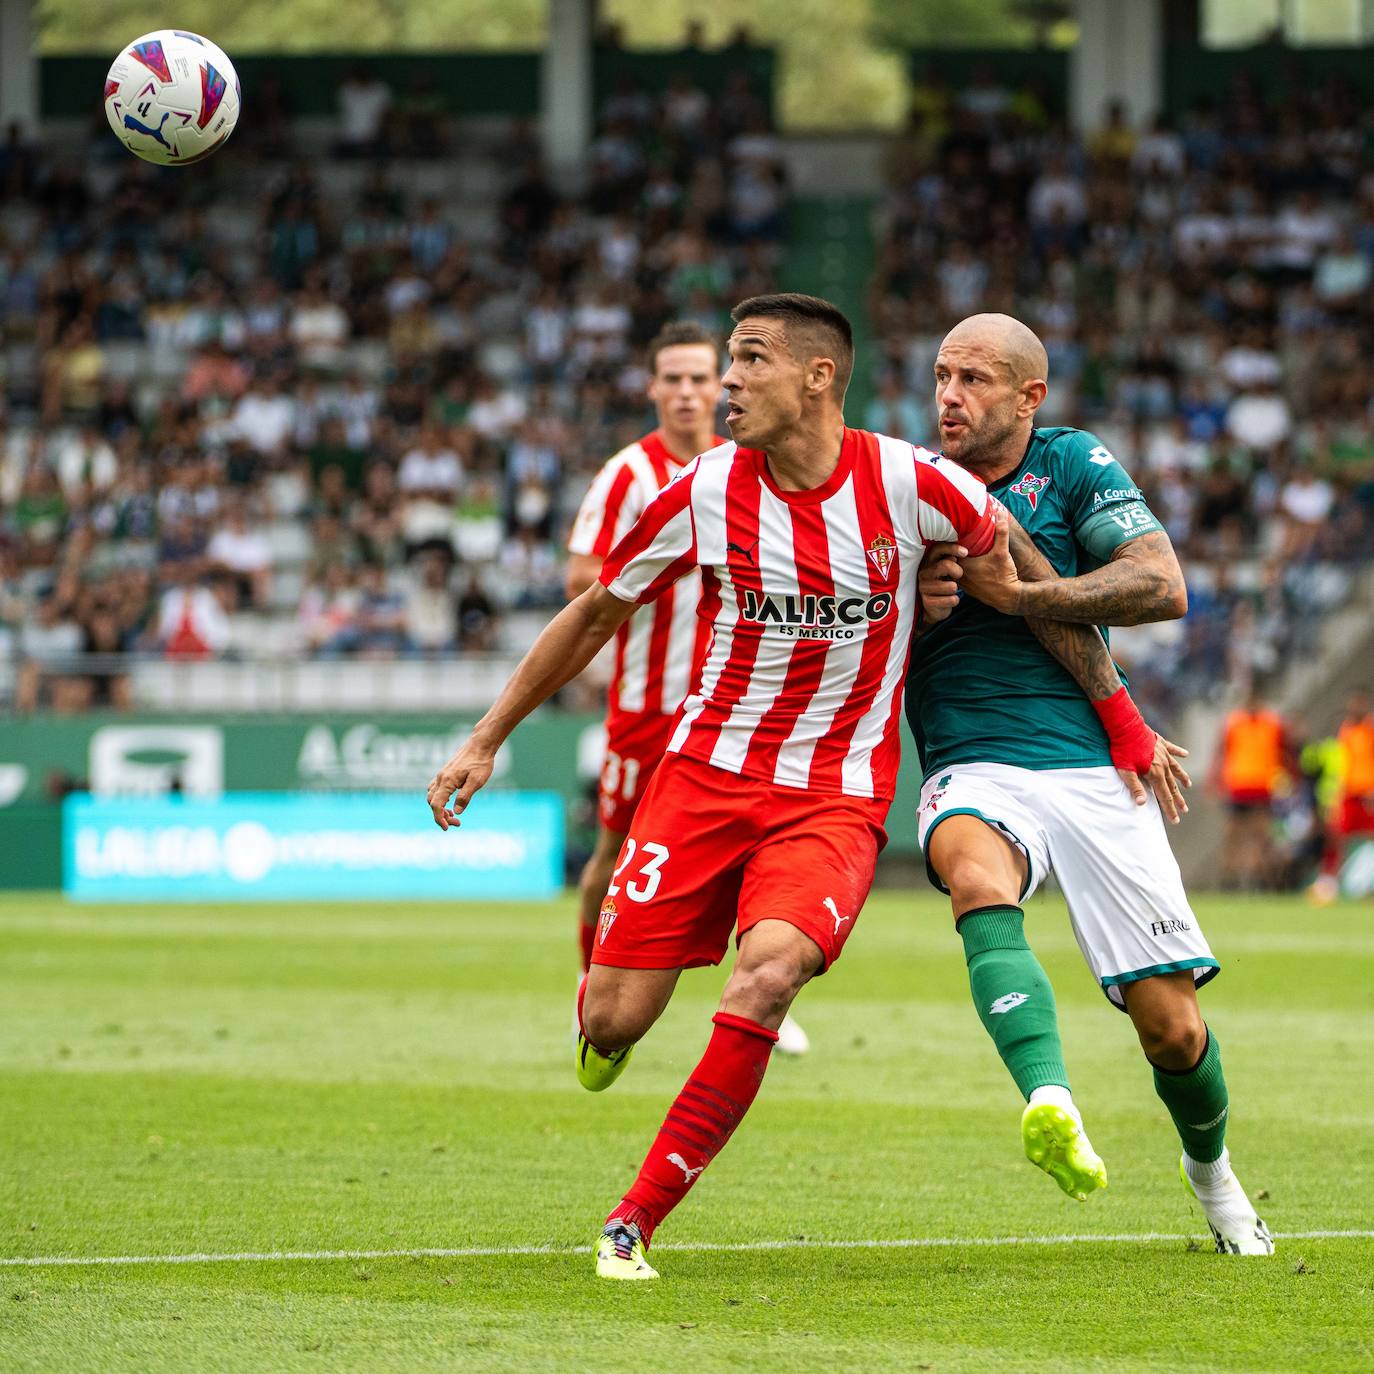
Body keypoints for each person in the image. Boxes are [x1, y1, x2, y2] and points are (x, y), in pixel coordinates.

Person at [427, 293, 1163, 1281]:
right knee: (610, 1020)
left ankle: (633, 1220)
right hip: (704, 779)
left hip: (835, 796)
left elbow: (1029, 590)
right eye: (727, 362)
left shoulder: (915, 485)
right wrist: (486, 738)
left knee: (771, 973)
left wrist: (1121, 723)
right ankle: (608, 1032)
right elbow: (596, 612)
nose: (727, 383)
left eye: (750, 361)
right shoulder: (702, 490)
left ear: (818, 377)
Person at [911, 313, 1272, 1255]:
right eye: (943, 376)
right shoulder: (906, 485)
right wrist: (915, 602)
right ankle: (1051, 1100)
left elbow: (1161, 585)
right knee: (973, 876)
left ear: (1031, 397)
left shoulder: (1073, 466)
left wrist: (1024, 596)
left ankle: (1214, 1175)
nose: (950, 396)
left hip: (1091, 768)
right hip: (973, 758)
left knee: (1173, 1031)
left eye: (976, 380)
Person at [564, 322, 809, 1056]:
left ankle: (760, 994)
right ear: (652, 389)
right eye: (671, 379)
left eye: (700, 378)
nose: (687, 391)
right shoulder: (627, 475)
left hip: (734, 705)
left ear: (721, 384)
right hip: (647, 704)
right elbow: (584, 581)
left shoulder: (758, 466)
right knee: (613, 855)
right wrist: (668, 558)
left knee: (747, 857)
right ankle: (593, 993)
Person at [1212, 689, 1288, 890]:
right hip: (1239, 785)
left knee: (1261, 836)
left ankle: (1260, 878)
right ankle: (1230, 876)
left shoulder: (1272, 723)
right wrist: (1216, 780)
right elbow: (1222, 752)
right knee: (1233, 834)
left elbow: (1283, 753)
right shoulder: (1234, 723)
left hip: (1263, 786)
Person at [1310, 692, 1374, 903]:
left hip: (1368, 793)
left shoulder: (1370, 729)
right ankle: (1329, 884)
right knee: (1337, 838)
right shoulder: (1346, 730)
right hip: (1349, 793)